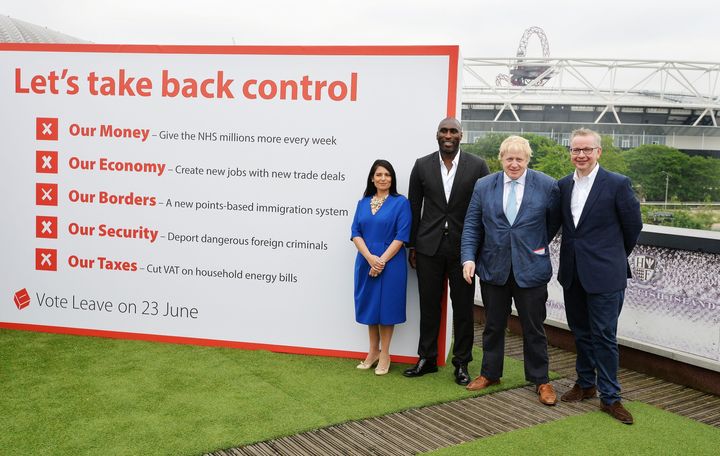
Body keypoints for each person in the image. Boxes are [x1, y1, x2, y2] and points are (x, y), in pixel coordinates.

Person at [460, 135, 561, 405]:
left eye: (519, 159)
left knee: (534, 327)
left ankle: (541, 380)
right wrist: (468, 258)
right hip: (494, 268)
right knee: (492, 325)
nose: (514, 164)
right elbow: (472, 226)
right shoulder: (483, 186)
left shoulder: (548, 185)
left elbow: (552, 224)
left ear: (528, 160)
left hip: (531, 269)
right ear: (500, 159)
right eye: (509, 158)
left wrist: (532, 246)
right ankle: (490, 373)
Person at [557, 128, 643, 424]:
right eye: (575, 150)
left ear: (598, 152)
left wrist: (612, 258)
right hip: (573, 273)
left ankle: (611, 397)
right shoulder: (563, 185)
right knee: (580, 333)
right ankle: (585, 384)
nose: (580, 155)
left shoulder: (617, 184)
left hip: (606, 274)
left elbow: (633, 228)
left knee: (604, 336)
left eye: (586, 150)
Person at [403, 117, 490, 385]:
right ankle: (427, 358)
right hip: (428, 247)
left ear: (461, 135)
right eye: (444, 131)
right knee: (428, 305)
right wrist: (412, 245)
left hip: (464, 250)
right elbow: (414, 207)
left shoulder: (477, 166)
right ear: (437, 135)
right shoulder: (421, 166)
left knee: (463, 308)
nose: (448, 135)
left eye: (453, 131)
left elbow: (485, 209)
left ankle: (462, 363)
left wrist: (479, 249)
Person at [351, 159, 412, 376]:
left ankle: (385, 353)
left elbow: (402, 236)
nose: (383, 178)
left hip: (392, 263)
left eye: (387, 175)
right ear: (372, 178)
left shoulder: (401, 203)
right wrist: (370, 258)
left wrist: (381, 261)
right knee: (370, 308)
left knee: (386, 309)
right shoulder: (362, 203)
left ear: (392, 178)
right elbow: (355, 233)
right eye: (379, 174)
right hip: (365, 261)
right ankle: (372, 352)